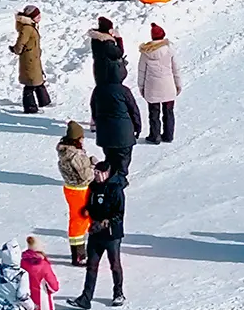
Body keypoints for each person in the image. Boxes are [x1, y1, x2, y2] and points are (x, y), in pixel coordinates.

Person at [90, 21, 143, 178]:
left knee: (111, 158)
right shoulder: (107, 43)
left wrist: (98, 123)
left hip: (106, 133)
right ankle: (118, 182)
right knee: (123, 160)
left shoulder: (96, 41)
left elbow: (94, 109)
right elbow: (118, 53)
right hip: (124, 135)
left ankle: (111, 178)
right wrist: (118, 39)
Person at [70, 169, 128, 308]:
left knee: (114, 265)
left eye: (98, 173)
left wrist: (105, 222)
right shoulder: (93, 188)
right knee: (91, 266)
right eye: (94, 173)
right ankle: (85, 298)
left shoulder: (116, 189)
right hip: (95, 234)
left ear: (106, 173)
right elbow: (91, 204)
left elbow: (119, 214)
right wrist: (87, 210)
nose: (95, 175)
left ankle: (118, 294)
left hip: (111, 236)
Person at [57, 121, 97, 266]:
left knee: (79, 220)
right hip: (80, 190)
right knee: (80, 221)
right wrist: (93, 165)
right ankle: (79, 255)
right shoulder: (76, 155)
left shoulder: (65, 152)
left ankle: (79, 253)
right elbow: (86, 176)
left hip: (70, 189)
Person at [139, 23, 182, 145]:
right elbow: (176, 69)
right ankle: (168, 135)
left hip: (152, 87)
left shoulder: (145, 52)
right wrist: (178, 84)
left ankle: (155, 136)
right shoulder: (169, 50)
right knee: (168, 112)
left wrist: (141, 87)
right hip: (168, 86)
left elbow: (141, 71)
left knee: (154, 113)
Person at [11, 6, 50, 114]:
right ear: (32, 17)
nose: (40, 17)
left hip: (34, 58)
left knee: (38, 80)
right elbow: (21, 42)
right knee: (30, 83)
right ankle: (30, 107)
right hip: (29, 60)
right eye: (38, 16)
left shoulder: (32, 26)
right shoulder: (27, 28)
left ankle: (44, 101)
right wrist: (16, 50)